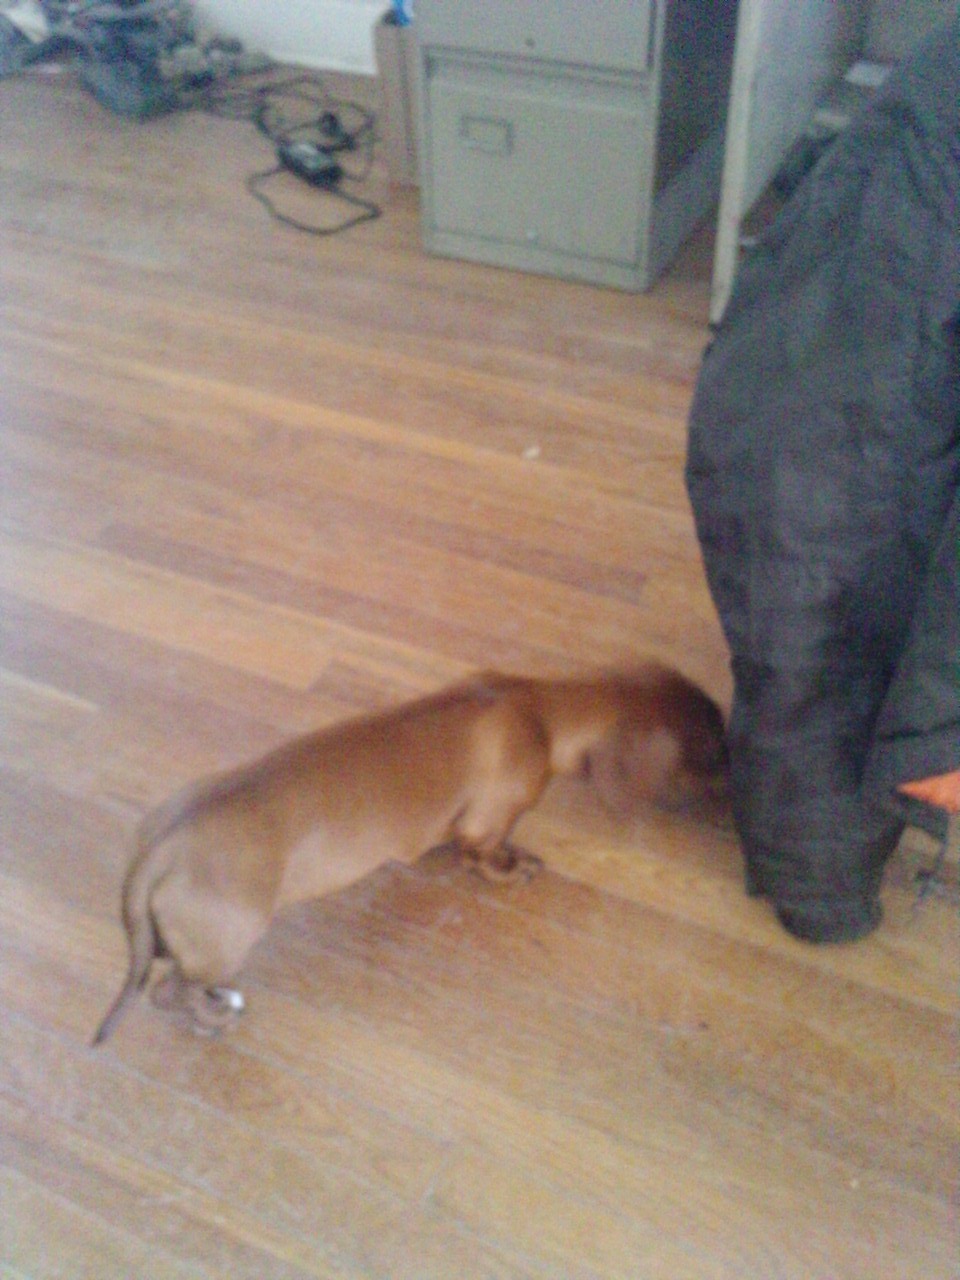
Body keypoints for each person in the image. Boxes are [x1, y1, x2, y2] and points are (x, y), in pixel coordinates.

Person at [685, 19, 959, 941]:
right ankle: (820, 891)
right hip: (837, 427)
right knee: (826, 631)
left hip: (831, 383)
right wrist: (938, 735)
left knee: (823, 617)